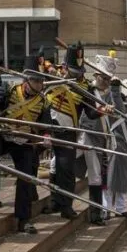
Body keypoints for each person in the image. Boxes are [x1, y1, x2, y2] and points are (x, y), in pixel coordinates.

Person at [0, 54, 56, 233]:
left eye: (41, 81)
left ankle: (23, 220)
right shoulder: (9, 91)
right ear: (26, 80)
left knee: (26, 177)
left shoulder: (44, 101)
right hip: (3, 136)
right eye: (36, 81)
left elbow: (46, 123)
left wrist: (46, 135)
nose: (39, 85)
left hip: (24, 141)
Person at [44, 42, 92, 221]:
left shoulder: (85, 87)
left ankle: (66, 205)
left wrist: (104, 110)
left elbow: (91, 112)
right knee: (54, 167)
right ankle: (54, 201)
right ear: (65, 67)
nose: (78, 74)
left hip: (68, 131)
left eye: (79, 71)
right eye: (74, 70)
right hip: (48, 128)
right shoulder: (52, 78)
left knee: (66, 169)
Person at [81, 52, 119, 226]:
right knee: (58, 163)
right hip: (86, 135)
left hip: (103, 138)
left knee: (97, 176)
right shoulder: (87, 91)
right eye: (104, 78)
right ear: (96, 76)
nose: (106, 82)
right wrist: (104, 110)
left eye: (108, 79)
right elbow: (89, 113)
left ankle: (96, 213)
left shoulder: (110, 93)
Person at [101, 72, 127, 220]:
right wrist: (115, 89)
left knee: (124, 179)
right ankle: (106, 209)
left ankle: (121, 208)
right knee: (109, 180)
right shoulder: (114, 109)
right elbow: (116, 103)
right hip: (113, 146)